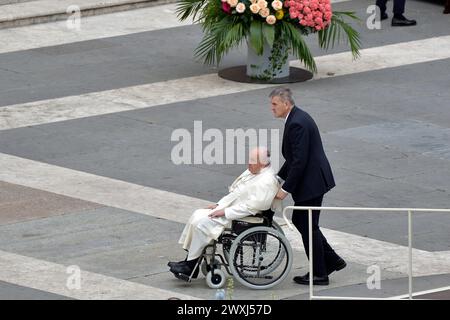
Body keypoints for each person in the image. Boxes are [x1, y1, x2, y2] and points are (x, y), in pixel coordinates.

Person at [270, 87, 346, 286]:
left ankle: (320, 273)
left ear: (286, 104)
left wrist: (285, 189)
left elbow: (300, 161)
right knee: (306, 223)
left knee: (306, 224)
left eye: (274, 104)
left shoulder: (297, 123)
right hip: (312, 180)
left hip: (312, 182)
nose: (272, 108)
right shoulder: (296, 118)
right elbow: (295, 157)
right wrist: (278, 178)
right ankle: (330, 261)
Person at [168, 147, 279, 279]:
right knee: (198, 214)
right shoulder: (254, 171)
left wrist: (225, 212)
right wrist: (218, 205)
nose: (248, 163)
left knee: (203, 224)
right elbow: (235, 193)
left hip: (247, 217)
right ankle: (194, 260)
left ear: (262, 163)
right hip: (235, 211)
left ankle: (191, 265)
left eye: (252, 161)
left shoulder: (267, 180)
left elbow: (252, 207)